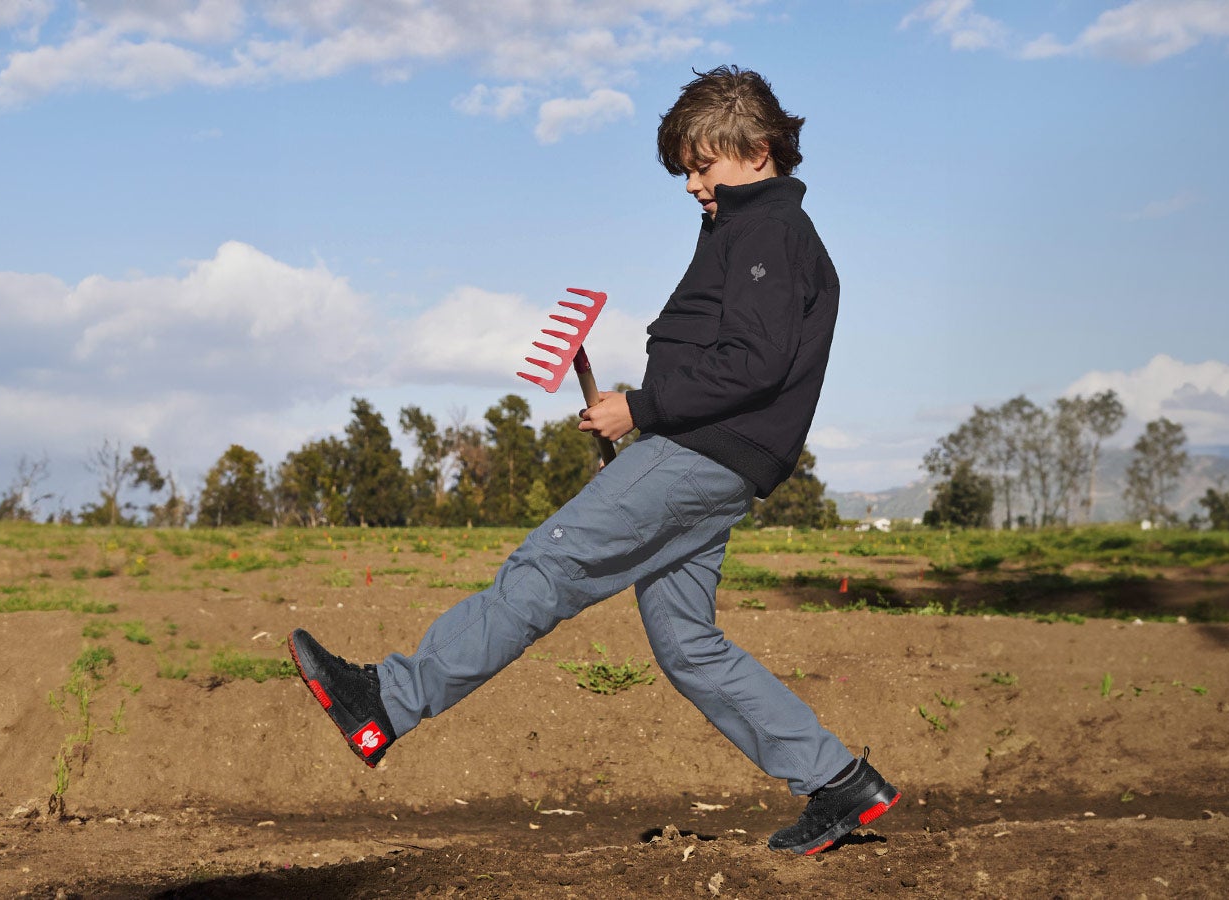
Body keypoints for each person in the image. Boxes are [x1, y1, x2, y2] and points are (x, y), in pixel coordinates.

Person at [289, 65, 896, 856]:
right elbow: (730, 354)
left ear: (753, 150)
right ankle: (837, 782)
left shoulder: (768, 230)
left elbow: (756, 361)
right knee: (686, 640)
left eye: (700, 167)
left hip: (699, 455)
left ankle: (386, 704)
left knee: (549, 565)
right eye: (683, 171)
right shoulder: (745, 227)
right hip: (714, 458)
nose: (690, 185)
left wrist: (644, 407)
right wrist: (641, 407)